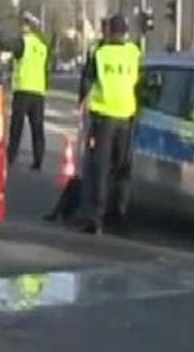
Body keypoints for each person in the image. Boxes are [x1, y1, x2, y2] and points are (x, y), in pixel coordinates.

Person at [75, 14, 141, 234]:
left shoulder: (100, 53)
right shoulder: (135, 53)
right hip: (127, 118)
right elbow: (142, 83)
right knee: (123, 168)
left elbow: (86, 81)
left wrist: (81, 105)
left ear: (110, 31)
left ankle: (97, 218)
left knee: (100, 169)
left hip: (104, 119)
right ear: (125, 32)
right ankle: (120, 214)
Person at [43, 19, 111, 222]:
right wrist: (83, 104)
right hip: (102, 114)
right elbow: (87, 80)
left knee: (96, 166)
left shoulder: (104, 52)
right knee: (92, 165)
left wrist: (84, 102)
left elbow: (88, 79)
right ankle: (83, 208)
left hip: (104, 115)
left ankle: (89, 208)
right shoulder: (102, 50)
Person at [7, 12, 51, 170]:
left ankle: (11, 157)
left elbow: (11, 53)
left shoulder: (22, 42)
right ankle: (38, 160)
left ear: (27, 26)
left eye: (24, 24)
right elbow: (46, 68)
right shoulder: (42, 46)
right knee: (37, 128)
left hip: (23, 89)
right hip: (38, 92)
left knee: (16, 127)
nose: (22, 27)